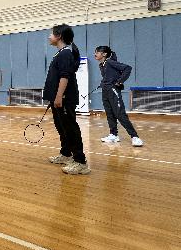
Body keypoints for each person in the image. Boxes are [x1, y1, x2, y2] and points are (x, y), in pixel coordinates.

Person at [44, 24, 90, 175]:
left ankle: (80, 162)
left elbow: (65, 77)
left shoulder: (65, 54)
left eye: (51, 34)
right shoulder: (61, 53)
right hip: (57, 98)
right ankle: (66, 154)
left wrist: (59, 96)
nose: (49, 36)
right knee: (62, 127)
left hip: (64, 99)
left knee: (70, 128)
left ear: (59, 36)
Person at [95, 46, 143, 147]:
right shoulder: (102, 65)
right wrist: (103, 83)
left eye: (97, 52)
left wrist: (120, 81)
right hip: (105, 91)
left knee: (120, 114)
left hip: (113, 91)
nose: (95, 54)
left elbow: (127, 68)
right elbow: (109, 76)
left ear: (104, 54)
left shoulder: (109, 62)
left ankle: (135, 137)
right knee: (110, 113)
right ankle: (114, 135)